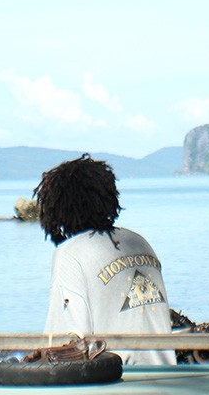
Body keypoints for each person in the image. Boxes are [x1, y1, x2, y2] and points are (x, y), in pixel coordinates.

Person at [34, 154, 177, 366]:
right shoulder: (139, 243)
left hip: (119, 380)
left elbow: (66, 338)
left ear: (56, 208)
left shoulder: (70, 253)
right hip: (167, 374)